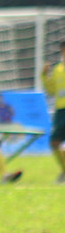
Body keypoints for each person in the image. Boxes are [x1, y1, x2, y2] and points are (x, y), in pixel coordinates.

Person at [41, 41, 65, 183]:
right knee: (54, 142)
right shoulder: (58, 69)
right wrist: (45, 75)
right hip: (60, 110)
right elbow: (51, 90)